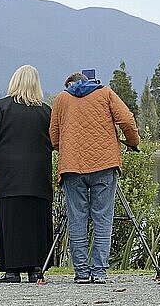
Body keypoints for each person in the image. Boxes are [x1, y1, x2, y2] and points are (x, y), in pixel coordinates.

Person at [49, 71, 139, 284]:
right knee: (102, 219)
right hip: (105, 164)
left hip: (72, 167)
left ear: (70, 84)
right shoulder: (106, 93)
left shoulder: (62, 98)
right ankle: (99, 272)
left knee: (77, 219)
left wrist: (64, 147)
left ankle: (81, 273)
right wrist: (132, 142)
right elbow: (126, 119)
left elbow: (53, 133)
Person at [0, 65, 54, 283]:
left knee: (10, 220)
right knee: (37, 221)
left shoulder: (1, 107)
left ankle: (12, 270)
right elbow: (54, 140)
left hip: (9, 175)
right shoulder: (45, 111)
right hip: (38, 175)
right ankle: (36, 268)